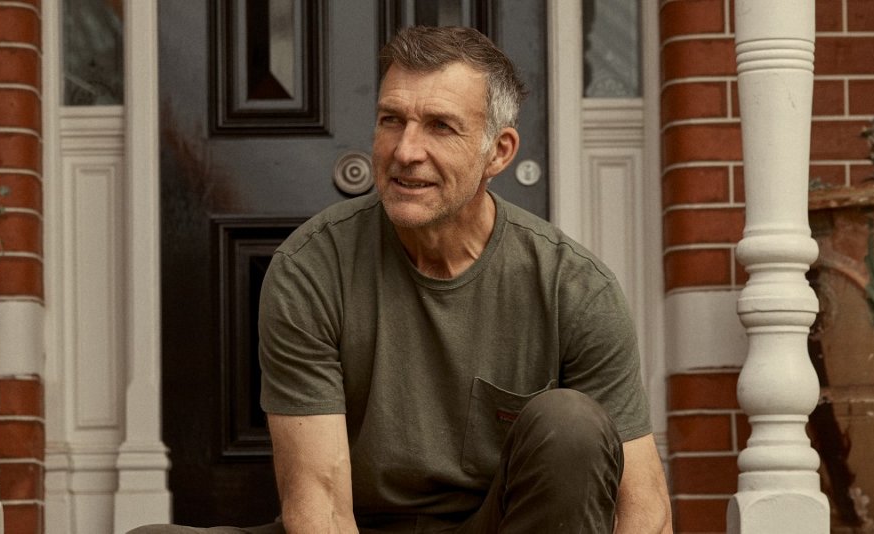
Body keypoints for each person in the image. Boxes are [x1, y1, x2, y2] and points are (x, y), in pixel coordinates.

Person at [133, 26, 672, 534]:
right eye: (392, 120)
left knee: (571, 424)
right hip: (358, 526)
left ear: (499, 153)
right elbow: (317, 503)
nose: (405, 151)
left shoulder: (573, 287)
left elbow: (644, 508)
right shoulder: (310, 268)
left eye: (440, 126)